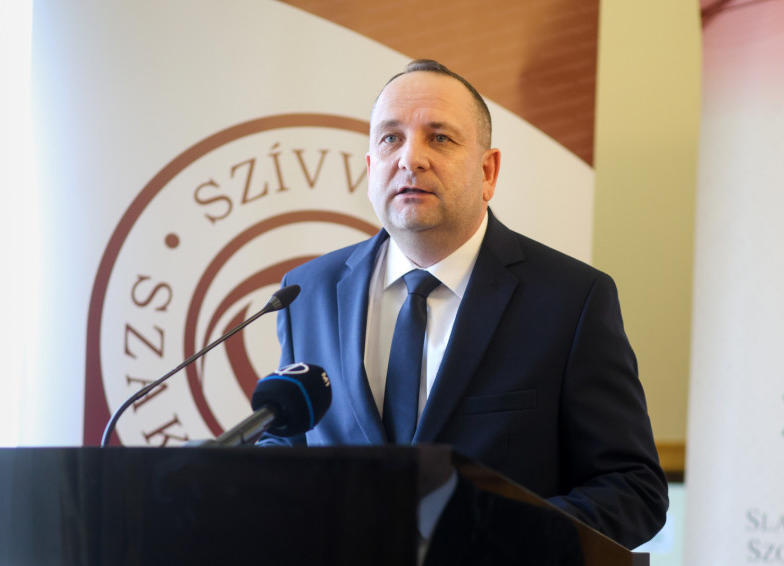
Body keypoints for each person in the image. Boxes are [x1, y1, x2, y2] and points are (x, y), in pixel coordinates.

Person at [259, 59, 668, 549]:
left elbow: (634, 489)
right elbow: (288, 448)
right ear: (370, 169)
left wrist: (501, 542)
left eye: (439, 138)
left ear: (487, 171)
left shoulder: (571, 300)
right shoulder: (308, 292)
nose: (410, 159)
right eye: (390, 138)